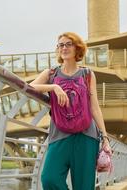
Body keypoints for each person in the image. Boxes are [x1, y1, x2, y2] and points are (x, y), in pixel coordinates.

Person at [30, 32, 111, 190]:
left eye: (68, 44)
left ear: (77, 48)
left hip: (86, 136)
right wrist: (53, 87)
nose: (64, 47)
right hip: (59, 134)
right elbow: (30, 87)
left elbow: (94, 106)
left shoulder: (87, 74)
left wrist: (105, 137)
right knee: (49, 178)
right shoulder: (51, 74)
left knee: (84, 186)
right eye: (61, 45)